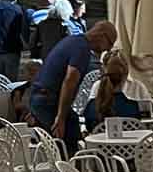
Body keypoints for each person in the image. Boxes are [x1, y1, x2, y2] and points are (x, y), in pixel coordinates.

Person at [24, 21, 116, 156]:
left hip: (40, 97)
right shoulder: (82, 49)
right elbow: (70, 81)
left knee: (66, 139)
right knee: (65, 147)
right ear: (102, 36)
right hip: (48, 101)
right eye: (109, 44)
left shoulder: (72, 41)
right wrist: (61, 117)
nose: (106, 50)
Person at [82, 50, 145, 132]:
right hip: (131, 144)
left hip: (99, 144)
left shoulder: (91, 106)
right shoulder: (134, 107)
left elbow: (89, 128)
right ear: (125, 76)